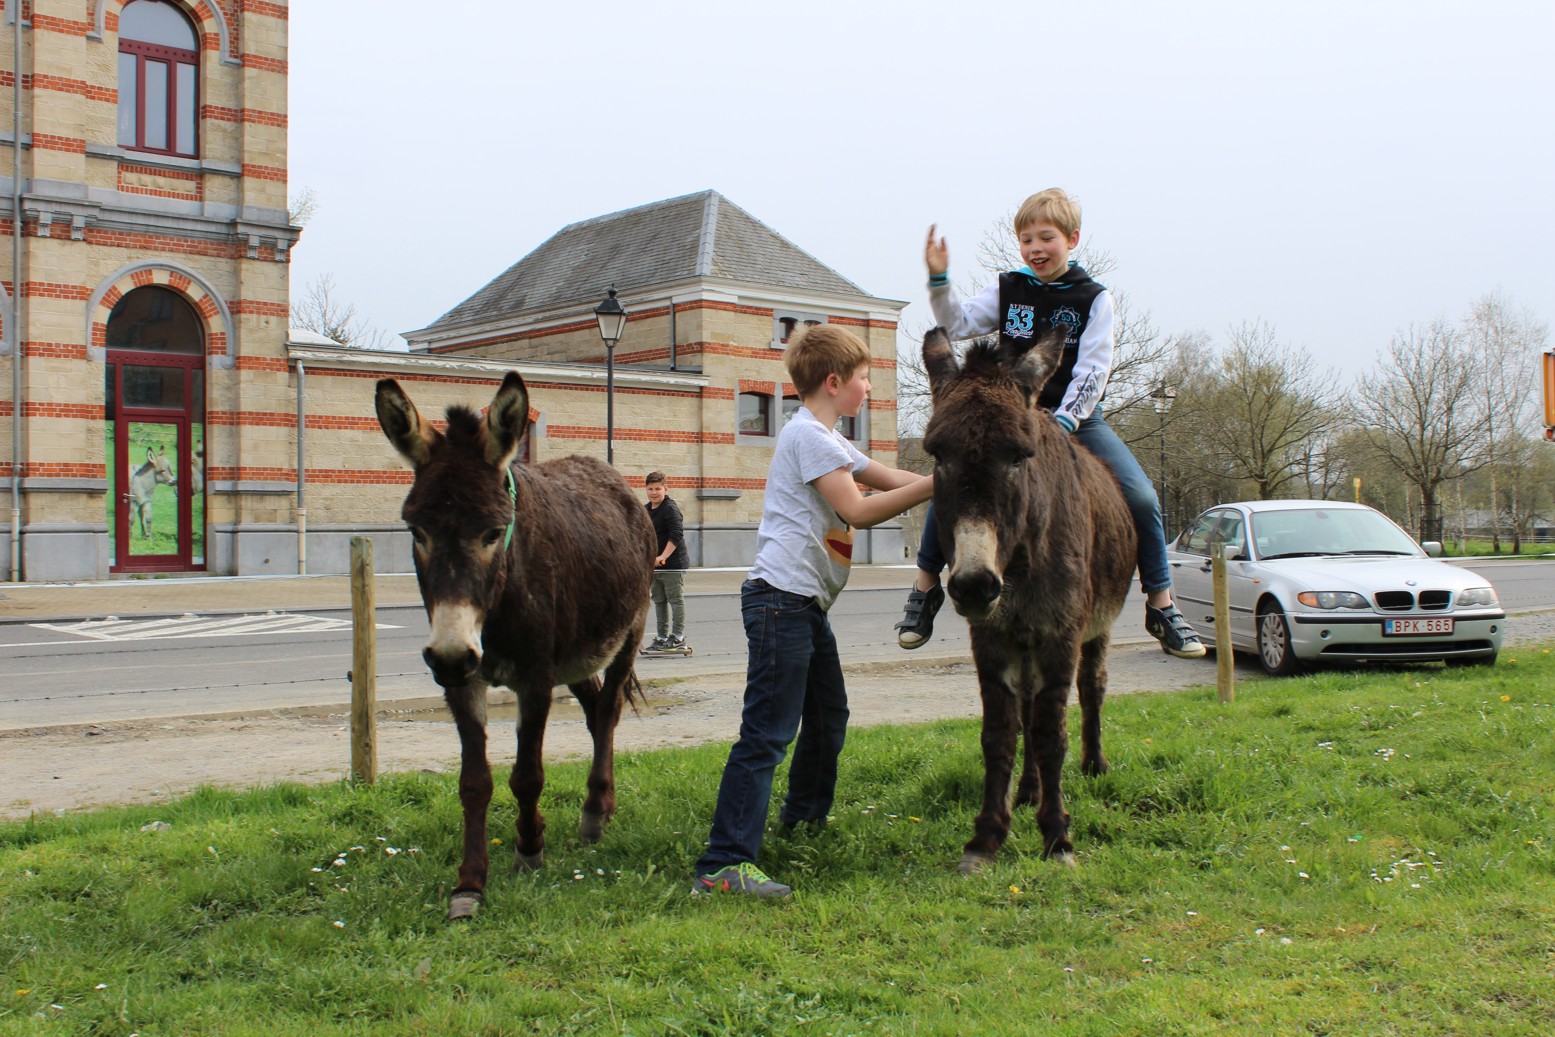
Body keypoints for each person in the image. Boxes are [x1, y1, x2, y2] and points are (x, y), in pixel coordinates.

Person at [895, 188, 1206, 659]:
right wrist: (939, 278)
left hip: (1074, 419)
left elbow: (1093, 371)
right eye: (1026, 239)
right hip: (1010, 418)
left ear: (1072, 239)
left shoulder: (1094, 298)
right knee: (956, 478)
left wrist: (1063, 423)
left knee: (1141, 495)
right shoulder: (1010, 287)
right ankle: (924, 590)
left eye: (1047, 238)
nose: (1035, 248)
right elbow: (956, 324)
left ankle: (1161, 603)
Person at [693, 325, 934, 898]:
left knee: (827, 718)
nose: (870, 386)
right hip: (780, 601)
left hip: (801, 604)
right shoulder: (811, 439)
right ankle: (723, 863)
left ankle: (803, 821)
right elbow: (860, 508)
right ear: (835, 382)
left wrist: (943, 480)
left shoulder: (830, 439)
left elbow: (892, 478)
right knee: (768, 733)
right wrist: (936, 486)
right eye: (863, 377)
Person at [644, 470, 689, 651]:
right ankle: (662, 638)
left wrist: (663, 556)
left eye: (657, 489)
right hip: (655, 565)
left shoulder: (670, 508)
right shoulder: (646, 509)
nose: (654, 492)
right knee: (659, 601)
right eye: (650, 489)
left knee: (675, 600)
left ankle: (678, 638)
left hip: (673, 564)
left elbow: (676, 533)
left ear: (665, 489)